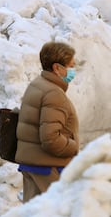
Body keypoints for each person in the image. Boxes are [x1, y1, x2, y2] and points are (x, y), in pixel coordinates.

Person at [15, 41, 79, 203]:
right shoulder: (53, 93)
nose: (73, 70)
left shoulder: (38, 84)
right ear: (57, 68)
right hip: (48, 168)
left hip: (31, 163)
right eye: (70, 66)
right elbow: (50, 139)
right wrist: (73, 146)